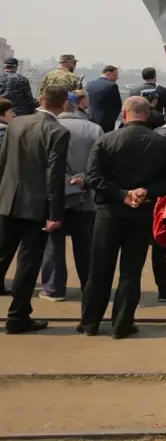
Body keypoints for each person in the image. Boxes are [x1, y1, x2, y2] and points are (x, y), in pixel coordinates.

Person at [80, 96, 166, 337]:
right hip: (141, 212)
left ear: (124, 114)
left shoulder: (106, 140)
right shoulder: (162, 144)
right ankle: (122, 324)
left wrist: (121, 194)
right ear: (148, 115)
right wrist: (146, 191)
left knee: (99, 269)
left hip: (109, 212)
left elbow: (93, 176)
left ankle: (90, 322)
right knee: (131, 271)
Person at [0, 86, 71, 333]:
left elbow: (3, 160)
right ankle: (17, 316)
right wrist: (55, 214)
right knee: (28, 263)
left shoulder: (16, 123)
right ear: (64, 104)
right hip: (36, 206)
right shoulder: (57, 131)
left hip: (8, 200)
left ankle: (18, 317)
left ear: (41, 99)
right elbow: (54, 176)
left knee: (2, 255)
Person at [39, 90, 101, 301]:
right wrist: (83, 178)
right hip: (85, 194)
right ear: (76, 106)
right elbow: (100, 164)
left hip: (55, 195)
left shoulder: (49, 127)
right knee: (85, 243)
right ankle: (89, 286)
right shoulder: (94, 129)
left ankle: (54, 288)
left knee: (54, 242)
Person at [85, 65, 122, 134]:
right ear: (108, 73)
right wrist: (112, 120)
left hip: (90, 119)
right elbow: (117, 105)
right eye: (115, 75)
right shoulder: (112, 85)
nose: (117, 77)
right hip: (106, 123)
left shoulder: (89, 83)